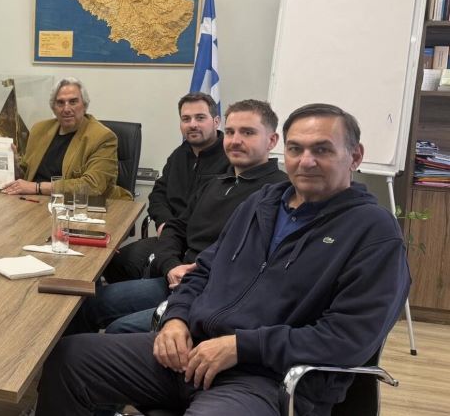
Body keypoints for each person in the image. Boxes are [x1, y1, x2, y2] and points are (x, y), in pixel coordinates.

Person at [36, 103, 411, 415]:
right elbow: (203, 271)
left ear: (355, 156)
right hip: (193, 352)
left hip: (265, 378)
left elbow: (348, 338)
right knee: (70, 359)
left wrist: (241, 346)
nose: (306, 161)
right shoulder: (262, 204)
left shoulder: (373, 232)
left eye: (322, 150)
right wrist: (176, 320)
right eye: (296, 149)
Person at [68, 99, 287, 336]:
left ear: (272, 141)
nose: (235, 140)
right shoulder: (216, 182)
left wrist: (192, 277)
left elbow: (251, 265)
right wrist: (171, 265)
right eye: (231, 132)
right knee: (85, 304)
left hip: (211, 296)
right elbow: (177, 227)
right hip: (176, 278)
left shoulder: (278, 194)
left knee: (119, 329)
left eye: (248, 133)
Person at [102, 92, 228, 283]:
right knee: (113, 262)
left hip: (200, 247)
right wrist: (164, 223)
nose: (192, 124)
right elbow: (158, 195)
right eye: (186, 119)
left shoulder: (230, 159)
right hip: (170, 237)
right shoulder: (179, 154)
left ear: (216, 121)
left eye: (200, 118)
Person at [1, 77, 132, 200]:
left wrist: (37, 187)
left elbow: (91, 186)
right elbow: (27, 176)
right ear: (53, 108)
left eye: (73, 102)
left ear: (84, 105)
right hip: (33, 202)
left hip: (78, 206)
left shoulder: (102, 137)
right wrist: (14, 166)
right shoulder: (39, 129)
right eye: (60, 103)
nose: (66, 108)